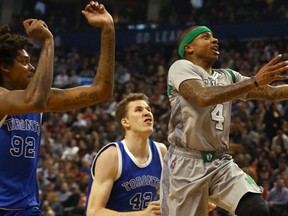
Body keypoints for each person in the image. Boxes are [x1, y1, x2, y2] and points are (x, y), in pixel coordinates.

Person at [0, 1, 115, 215]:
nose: (32, 67)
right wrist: (48, 41)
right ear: (5, 67)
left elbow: (101, 91)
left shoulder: (38, 99)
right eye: (24, 61)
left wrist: (107, 29)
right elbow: (33, 101)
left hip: (27, 208)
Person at [160, 25, 288, 216]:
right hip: (185, 163)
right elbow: (202, 96)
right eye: (205, 37)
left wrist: (255, 83)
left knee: (256, 209)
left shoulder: (227, 76)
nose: (214, 40)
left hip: (220, 161)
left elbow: (270, 92)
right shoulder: (181, 67)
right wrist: (253, 80)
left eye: (213, 37)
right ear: (188, 48)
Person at [85, 93, 167, 216]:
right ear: (125, 122)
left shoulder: (161, 151)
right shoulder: (111, 155)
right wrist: (142, 215)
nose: (147, 113)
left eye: (148, 109)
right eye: (138, 110)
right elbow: (93, 212)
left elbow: (165, 197)